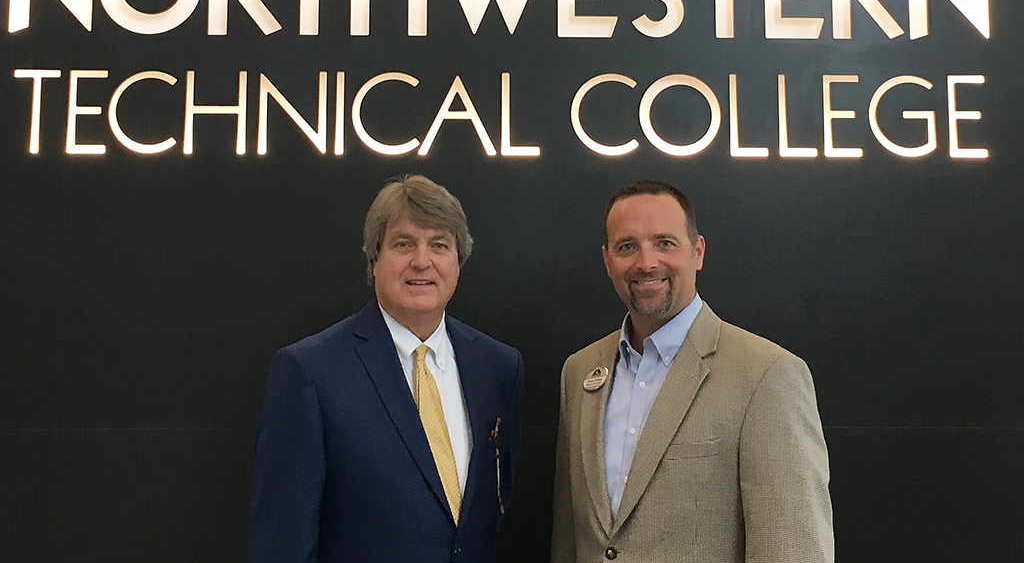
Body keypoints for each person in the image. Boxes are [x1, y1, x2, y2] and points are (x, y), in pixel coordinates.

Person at [551, 180, 833, 563]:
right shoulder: (580, 371)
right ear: (607, 260)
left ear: (697, 252)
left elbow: (793, 547)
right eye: (627, 246)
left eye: (665, 243)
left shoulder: (767, 374)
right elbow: (571, 538)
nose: (646, 262)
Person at [251, 174, 524, 563]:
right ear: (374, 258)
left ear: (458, 261)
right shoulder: (310, 372)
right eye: (403, 244)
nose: (422, 260)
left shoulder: (498, 367)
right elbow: (284, 541)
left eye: (439, 245)